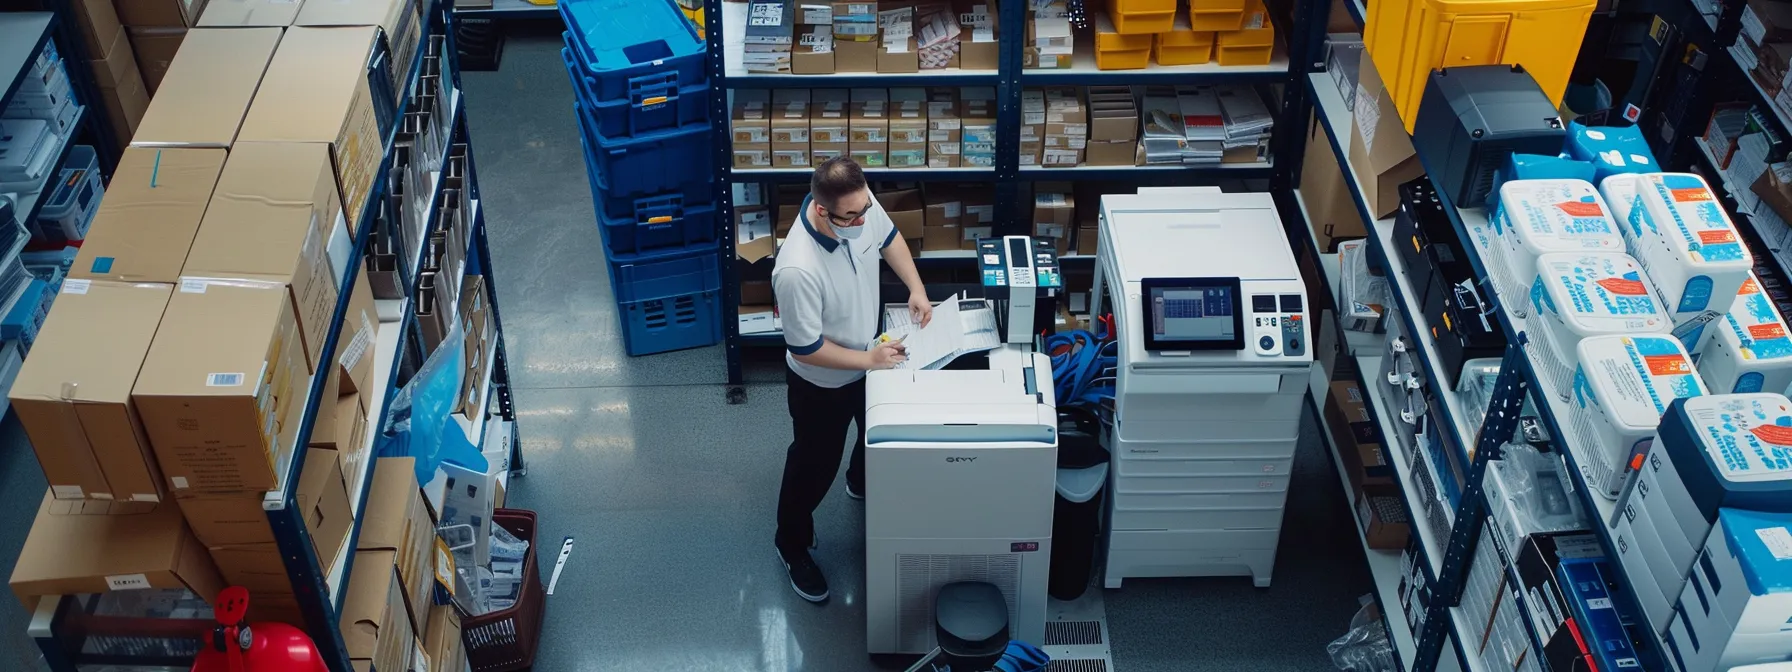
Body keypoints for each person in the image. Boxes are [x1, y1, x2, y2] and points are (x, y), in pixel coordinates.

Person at [772, 157, 932, 602]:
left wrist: (915, 288)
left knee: (873, 432)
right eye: (852, 216)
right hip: (821, 385)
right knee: (813, 465)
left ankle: (860, 481)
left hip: (869, 357)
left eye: (864, 208)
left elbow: (889, 236)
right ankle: (791, 543)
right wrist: (868, 359)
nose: (862, 219)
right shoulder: (796, 269)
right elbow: (807, 348)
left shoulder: (855, 203)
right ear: (822, 211)